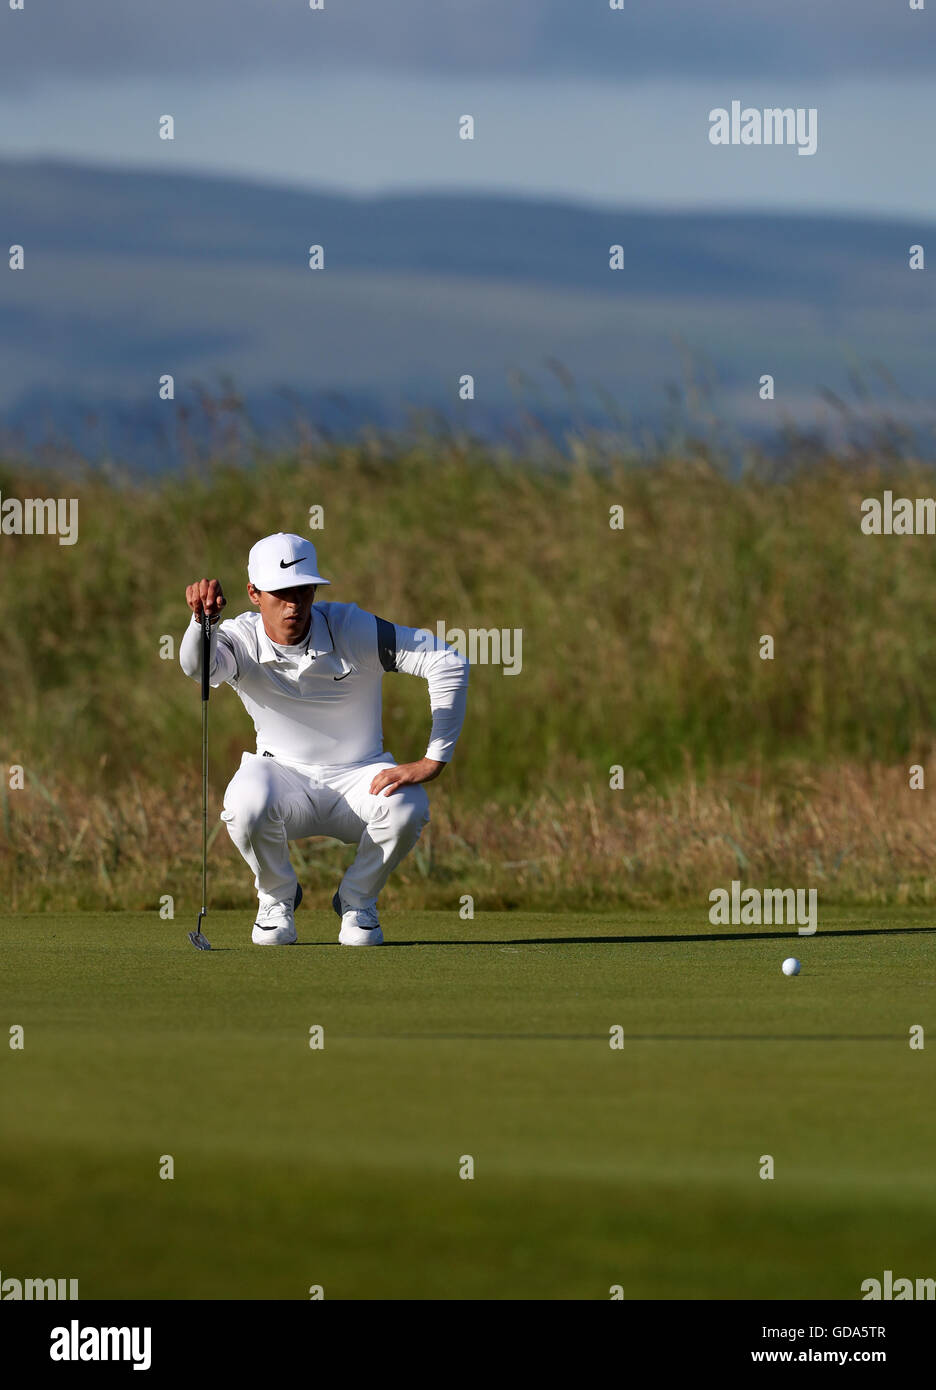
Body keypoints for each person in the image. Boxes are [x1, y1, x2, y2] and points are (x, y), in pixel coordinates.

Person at [180, 532, 468, 945]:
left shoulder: (354, 628)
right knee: (244, 801)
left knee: (409, 804)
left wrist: (433, 760)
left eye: (304, 590)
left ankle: (357, 902)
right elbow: (199, 669)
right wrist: (199, 623)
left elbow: (446, 660)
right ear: (254, 593)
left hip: (361, 777)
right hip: (282, 778)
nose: (294, 603)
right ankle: (277, 899)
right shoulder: (240, 638)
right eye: (281, 593)